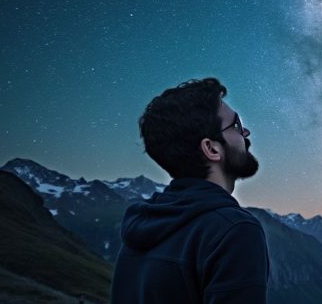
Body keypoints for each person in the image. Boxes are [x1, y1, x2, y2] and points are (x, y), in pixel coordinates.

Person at [111, 77, 268, 304]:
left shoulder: (142, 223)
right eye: (237, 125)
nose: (246, 133)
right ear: (211, 149)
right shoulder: (234, 229)